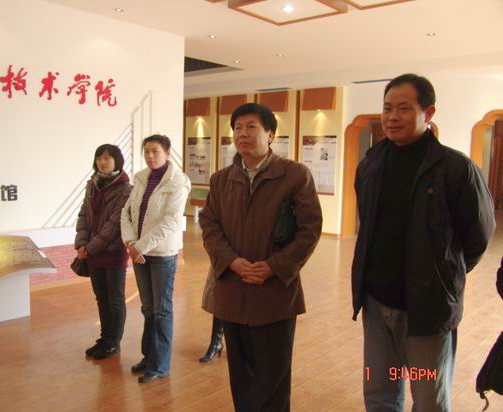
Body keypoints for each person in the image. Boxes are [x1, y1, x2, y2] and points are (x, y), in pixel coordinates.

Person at [351, 73, 496, 412]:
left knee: (429, 398)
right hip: (376, 303)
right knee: (379, 391)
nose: (392, 117)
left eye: (404, 109)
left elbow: (478, 235)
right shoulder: (371, 163)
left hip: (426, 310)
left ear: (428, 113)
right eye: (387, 108)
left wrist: (442, 275)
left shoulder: (455, 168)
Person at [199, 103, 323, 412]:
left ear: (270, 134)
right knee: (241, 379)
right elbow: (209, 225)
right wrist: (231, 261)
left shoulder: (294, 175)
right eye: (237, 128)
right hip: (232, 290)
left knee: (273, 380)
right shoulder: (221, 179)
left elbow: (309, 229)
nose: (242, 133)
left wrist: (274, 266)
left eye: (251, 127)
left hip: (274, 294)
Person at [120, 134, 190, 384]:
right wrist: (131, 243)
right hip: (139, 252)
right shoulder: (141, 178)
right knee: (148, 309)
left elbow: (171, 221)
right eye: (147, 151)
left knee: (161, 311)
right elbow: (126, 213)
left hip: (161, 254)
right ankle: (148, 356)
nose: (150, 156)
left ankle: (160, 365)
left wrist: (140, 246)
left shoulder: (178, 182)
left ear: (167, 153)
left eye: (155, 151)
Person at [75, 144, 132, 360]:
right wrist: (81, 243)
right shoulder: (92, 185)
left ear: (117, 161)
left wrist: (89, 248)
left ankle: (113, 342)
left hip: (113, 251)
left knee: (115, 299)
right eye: (99, 158)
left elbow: (114, 224)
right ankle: (104, 338)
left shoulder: (125, 189)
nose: (102, 162)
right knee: (101, 298)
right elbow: (84, 215)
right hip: (92, 252)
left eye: (107, 158)